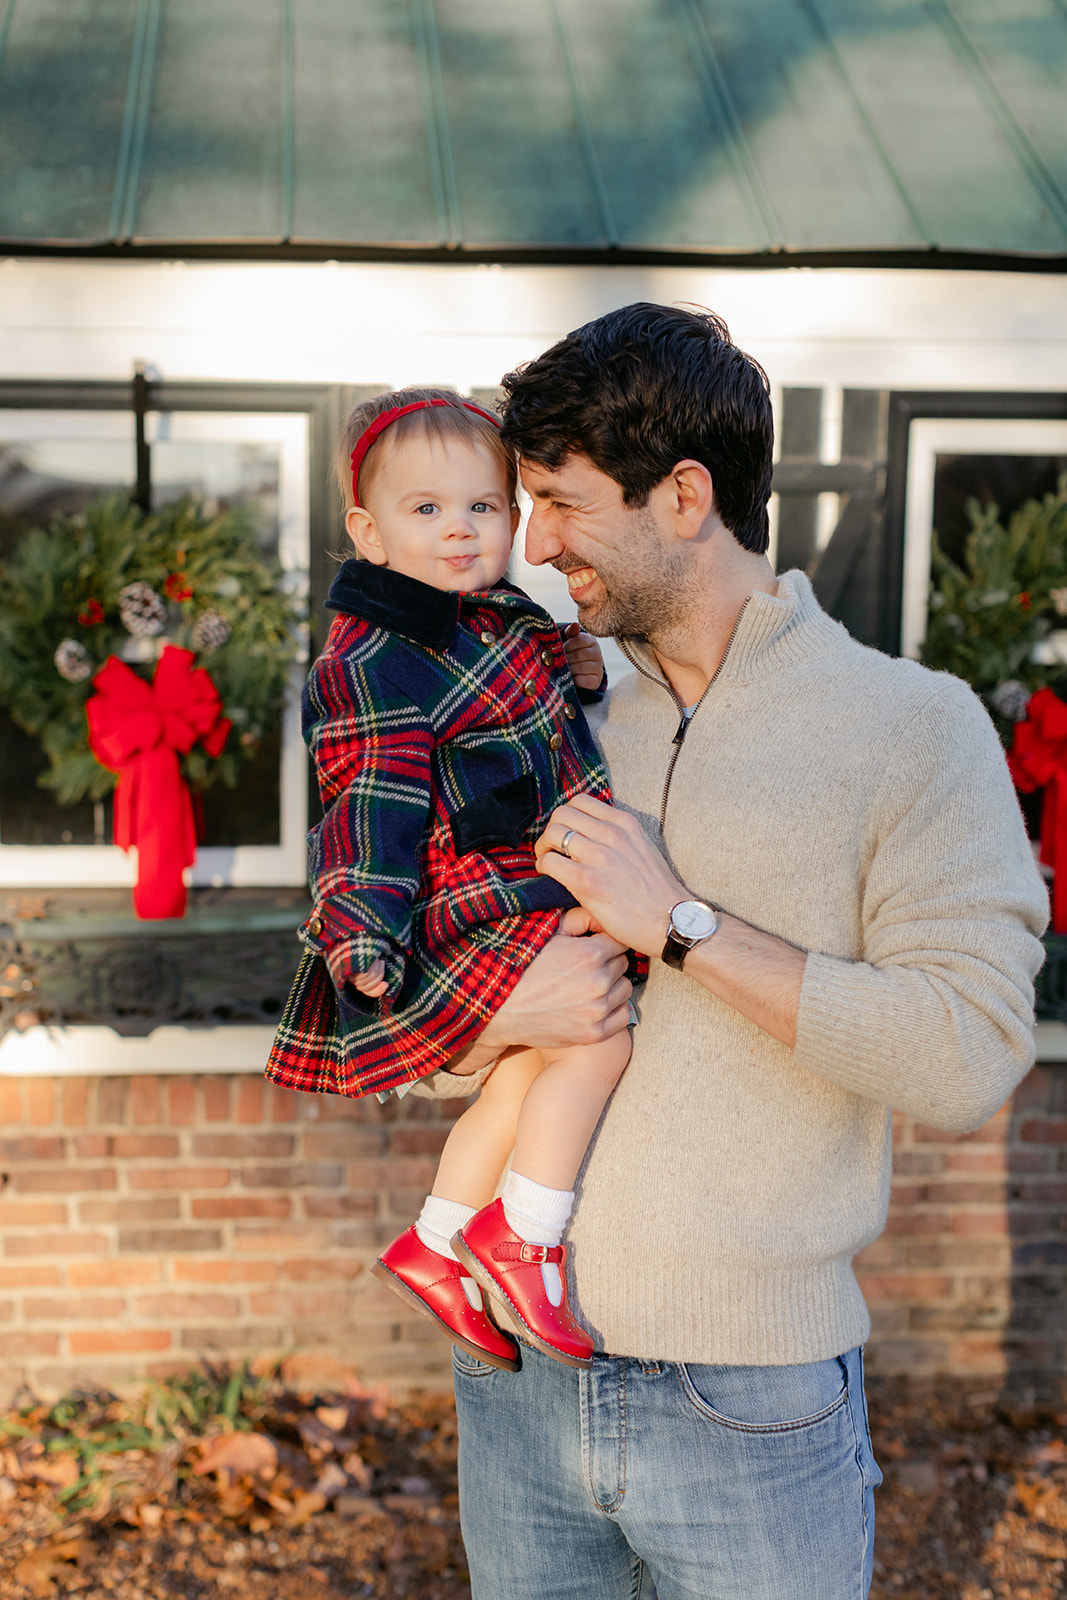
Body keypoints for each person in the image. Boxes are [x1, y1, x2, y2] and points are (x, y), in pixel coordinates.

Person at [407, 304, 1049, 1600]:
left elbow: (966, 1054)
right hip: (516, 1385)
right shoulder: (542, 720)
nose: (530, 544)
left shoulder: (909, 731)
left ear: (684, 494)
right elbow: (423, 1048)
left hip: (748, 1406)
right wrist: (492, 1013)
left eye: (560, 503)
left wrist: (682, 926)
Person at [266, 388, 642, 1376]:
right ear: (368, 530)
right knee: (600, 1041)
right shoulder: (373, 656)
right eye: (424, 510)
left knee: (533, 1064)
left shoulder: (492, 618)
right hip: (467, 908)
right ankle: (527, 1235)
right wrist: (362, 935)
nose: (457, 529)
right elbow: (370, 808)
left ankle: (435, 1241)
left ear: (511, 520)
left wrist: (584, 678)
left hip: (526, 887)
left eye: (480, 507)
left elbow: (529, 727)